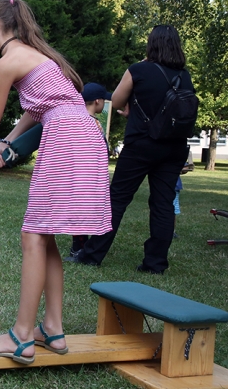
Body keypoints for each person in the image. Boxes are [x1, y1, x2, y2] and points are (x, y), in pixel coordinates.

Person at [0, 0, 110, 364]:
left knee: (32, 234)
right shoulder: (37, 56)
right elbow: (38, 109)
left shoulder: (7, 64)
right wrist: (9, 143)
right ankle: (53, 328)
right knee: (43, 233)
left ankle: (21, 336)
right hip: (83, 134)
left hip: (66, 138)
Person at [64, 25, 192, 275]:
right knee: (163, 203)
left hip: (142, 145)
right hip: (174, 146)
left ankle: (92, 255)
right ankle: (155, 264)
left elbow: (118, 102)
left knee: (117, 199)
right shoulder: (184, 75)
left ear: (151, 45)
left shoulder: (139, 70)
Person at [68, 83, 112, 257]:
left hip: (76, 174)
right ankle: (78, 247)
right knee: (83, 211)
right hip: (88, 176)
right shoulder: (93, 124)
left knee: (78, 210)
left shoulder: (76, 120)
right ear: (97, 101)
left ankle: (79, 244)